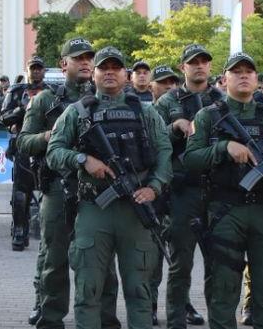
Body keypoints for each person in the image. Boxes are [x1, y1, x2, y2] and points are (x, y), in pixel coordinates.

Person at [46, 46, 171, 329]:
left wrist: (154, 187)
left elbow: (164, 154)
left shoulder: (146, 113)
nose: (110, 72)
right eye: (104, 68)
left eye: (116, 67)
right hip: (94, 210)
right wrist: (83, 159)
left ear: (126, 75)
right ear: (95, 74)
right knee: (88, 291)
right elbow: (54, 152)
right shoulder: (76, 113)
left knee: (140, 292)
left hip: (137, 210)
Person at [182, 51, 263, 329]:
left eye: (249, 71)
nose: (244, 75)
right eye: (237, 72)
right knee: (223, 289)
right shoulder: (208, 116)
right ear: (224, 80)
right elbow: (190, 158)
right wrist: (224, 147)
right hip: (225, 211)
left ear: (258, 81)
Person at [19, 38, 117, 329]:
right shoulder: (45, 100)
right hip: (58, 189)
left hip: (97, 190)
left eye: (89, 58)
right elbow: (23, 142)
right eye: (78, 58)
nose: (85, 62)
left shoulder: (105, 97)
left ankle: (104, 318)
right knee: (55, 259)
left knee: (102, 261)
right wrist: (49, 137)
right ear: (64, 64)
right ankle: (50, 318)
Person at [152, 43, 221, 329]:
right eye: (193, 62)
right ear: (183, 68)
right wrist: (174, 127)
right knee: (181, 265)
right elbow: (152, 141)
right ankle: (176, 322)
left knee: (219, 266)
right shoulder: (168, 101)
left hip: (219, 192)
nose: (200, 66)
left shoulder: (221, 99)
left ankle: (220, 320)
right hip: (183, 193)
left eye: (204, 61)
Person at [6, 56, 53, 251]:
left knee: (50, 190)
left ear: (44, 71)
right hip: (23, 147)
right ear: (27, 70)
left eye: (39, 68)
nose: (36, 72)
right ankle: (19, 231)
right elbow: (2, 117)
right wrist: (21, 109)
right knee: (20, 194)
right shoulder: (16, 91)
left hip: (47, 147)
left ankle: (50, 233)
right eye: (32, 68)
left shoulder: (53, 92)